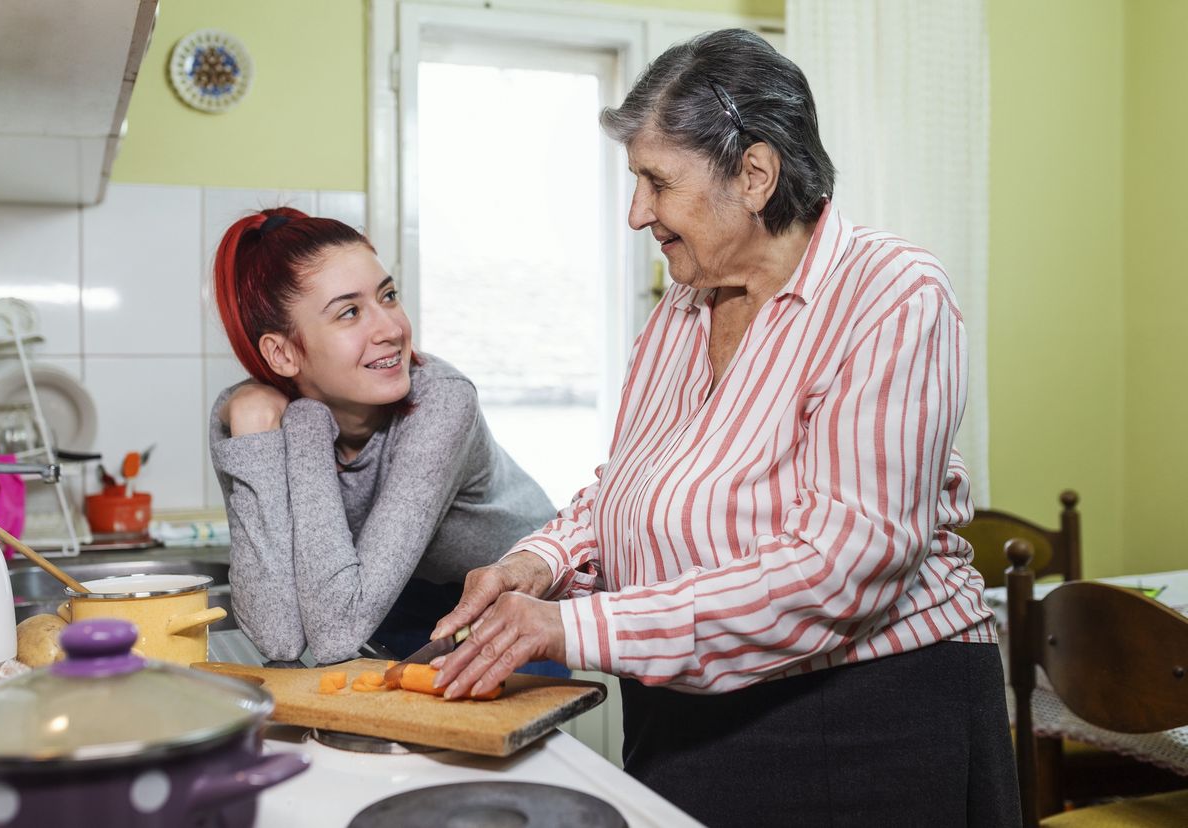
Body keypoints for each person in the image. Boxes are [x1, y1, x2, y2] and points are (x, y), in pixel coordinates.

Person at [430, 29, 1019, 827]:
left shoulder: (892, 295)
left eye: (656, 182)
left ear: (754, 173)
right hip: (689, 709)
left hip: (865, 717)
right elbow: (632, 484)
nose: (638, 213)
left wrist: (575, 626)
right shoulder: (682, 306)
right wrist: (539, 563)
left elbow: (841, 568)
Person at [208, 207, 559, 668]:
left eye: (388, 295)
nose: (392, 329)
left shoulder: (442, 402)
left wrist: (306, 420)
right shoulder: (248, 416)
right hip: (387, 598)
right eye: (350, 312)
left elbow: (334, 632)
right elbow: (278, 638)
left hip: (513, 603)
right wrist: (264, 432)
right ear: (282, 352)